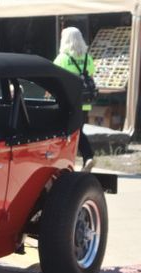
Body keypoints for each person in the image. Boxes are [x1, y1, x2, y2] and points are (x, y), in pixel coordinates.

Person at [54, 27, 96, 172]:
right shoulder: (87, 58)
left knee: (69, 132)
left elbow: (54, 80)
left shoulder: (62, 59)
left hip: (68, 102)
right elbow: (91, 75)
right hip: (85, 103)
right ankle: (87, 157)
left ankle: (79, 158)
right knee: (78, 130)